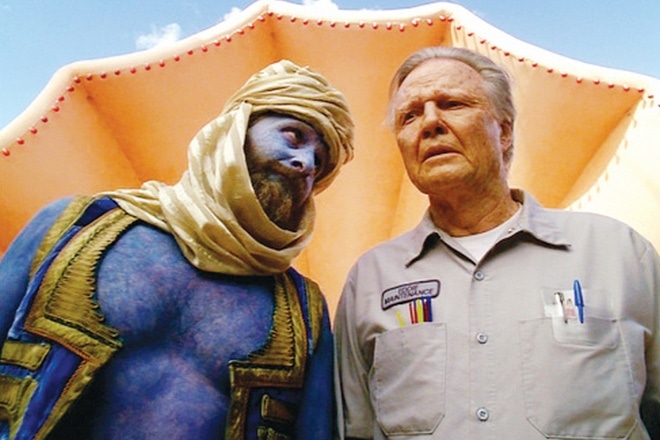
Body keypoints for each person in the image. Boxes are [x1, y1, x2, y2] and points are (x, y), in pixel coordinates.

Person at [0, 60, 354, 440]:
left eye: (320, 162)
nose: (306, 164)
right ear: (235, 130)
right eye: (294, 137)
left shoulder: (305, 312)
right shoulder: (73, 225)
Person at [334, 46, 659, 439]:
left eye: (452, 104)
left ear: (504, 131)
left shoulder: (618, 254)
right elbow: (355, 429)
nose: (430, 122)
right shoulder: (371, 280)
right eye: (410, 115)